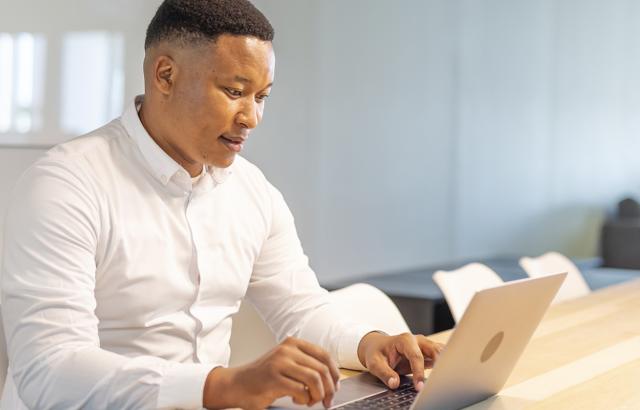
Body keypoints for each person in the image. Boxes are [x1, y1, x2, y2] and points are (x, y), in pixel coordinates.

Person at [1, 0, 443, 409]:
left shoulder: (251, 190)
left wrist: (369, 345)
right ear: (165, 76)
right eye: (235, 91)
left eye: (262, 96)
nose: (251, 118)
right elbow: (51, 369)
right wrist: (224, 385)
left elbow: (301, 308)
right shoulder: (64, 186)